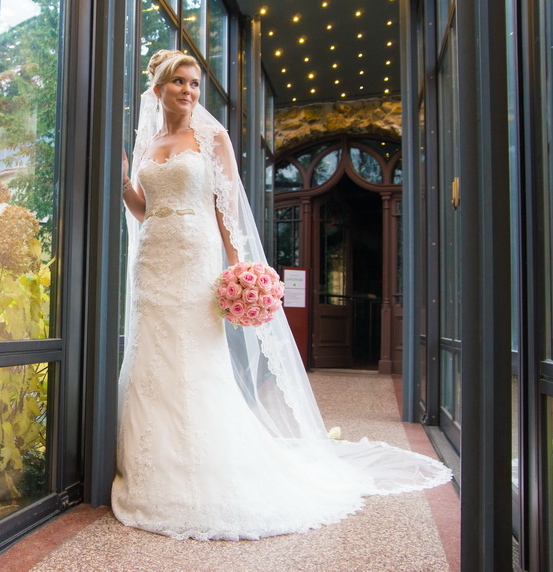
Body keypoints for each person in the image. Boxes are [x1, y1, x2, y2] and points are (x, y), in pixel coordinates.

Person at [112, 49, 451, 541]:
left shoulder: (212, 137)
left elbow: (227, 209)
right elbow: (146, 211)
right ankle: (148, 467)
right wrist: (124, 180)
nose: (189, 91)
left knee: (195, 361)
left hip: (196, 261)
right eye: (180, 82)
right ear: (159, 88)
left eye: (194, 84)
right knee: (153, 360)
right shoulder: (149, 145)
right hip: (153, 264)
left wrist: (239, 270)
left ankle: (208, 470)